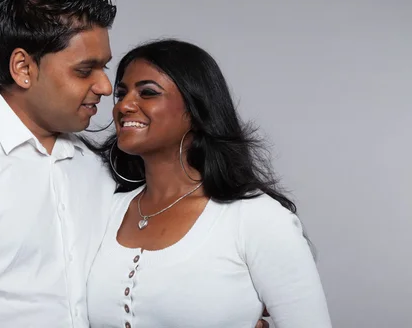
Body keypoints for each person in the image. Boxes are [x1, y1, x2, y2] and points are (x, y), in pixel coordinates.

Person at [0, 0, 271, 328]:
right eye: (84, 70)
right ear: (23, 68)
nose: (104, 87)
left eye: (104, 68)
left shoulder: (98, 171)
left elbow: (147, 274)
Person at [86, 39, 332, 327]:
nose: (124, 105)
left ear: (195, 109)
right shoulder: (106, 210)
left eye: (148, 93)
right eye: (121, 93)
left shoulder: (256, 219)